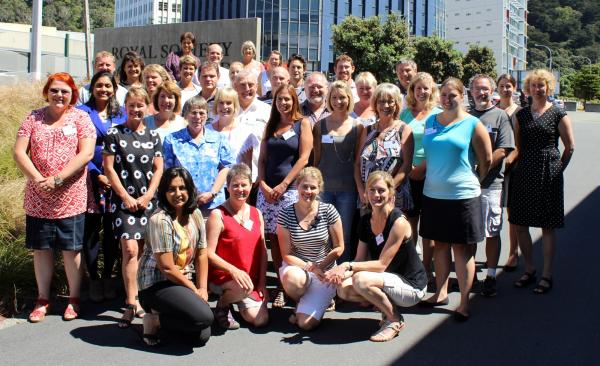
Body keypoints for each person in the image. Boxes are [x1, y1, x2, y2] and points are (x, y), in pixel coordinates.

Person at [14, 72, 96, 322]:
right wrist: (39, 180)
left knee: (71, 250)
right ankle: (42, 299)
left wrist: (58, 179)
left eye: (65, 91)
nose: (59, 95)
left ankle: (73, 299)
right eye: (55, 90)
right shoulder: (33, 117)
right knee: (42, 249)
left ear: (73, 94)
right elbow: (19, 152)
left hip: (70, 196)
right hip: (38, 196)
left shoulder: (81, 118)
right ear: (47, 92)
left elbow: (86, 153)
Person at [418, 78, 492, 321]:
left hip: (462, 197)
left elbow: (487, 160)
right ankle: (440, 292)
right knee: (439, 245)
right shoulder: (431, 121)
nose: (447, 99)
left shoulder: (472, 124)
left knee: (461, 250)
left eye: (453, 95)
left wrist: (472, 181)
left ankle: (464, 303)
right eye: (444, 95)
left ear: (462, 96)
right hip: (433, 194)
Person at [326, 171, 427, 342]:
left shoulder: (398, 221)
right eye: (371, 190)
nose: (376, 195)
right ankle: (386, 308)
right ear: (365, 193)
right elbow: (359, 260)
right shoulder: (366, 221)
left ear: (390, 193)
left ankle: (394, 319)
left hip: (411, 285)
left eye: (381, 190)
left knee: (361, 280)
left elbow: (381, 264)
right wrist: (337, 274)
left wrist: (346, 266)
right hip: (387, 279)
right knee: (343, 288)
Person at [508, 69, 575, 294]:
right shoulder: (521, 115)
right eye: (534, 85)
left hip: (549, 172)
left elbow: (570, 146)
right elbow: (517, 147)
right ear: (528, 88)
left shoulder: (558, 113)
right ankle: (529, 269)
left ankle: (547, 274)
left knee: (547, 226)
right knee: (519, 224)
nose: (538, 89)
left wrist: (558, 169)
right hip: (524, 171)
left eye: (542, 85)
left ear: (549, 88)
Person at [103, 87, 164, 328]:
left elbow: (158, 168)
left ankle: (142, 296)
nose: (136, 109)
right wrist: (125, 197)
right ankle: (131, 302)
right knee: (129, 250)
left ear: (148, 107)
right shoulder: (114, 134)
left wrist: (149, 195)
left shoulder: (153, 136)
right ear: (125, 107)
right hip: (124, 202)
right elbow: (109, 168)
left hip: (149, 201)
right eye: (132, 105)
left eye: (140, 105)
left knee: (143, 251)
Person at [138, 167, 213, 346]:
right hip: (156, 283)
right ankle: (153, 321)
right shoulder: (160, 220)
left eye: (182, 188)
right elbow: (167, 268)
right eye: (171, 189)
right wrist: (194, 291)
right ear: (164, 192)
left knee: (201, 335)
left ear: (190, 189)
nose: (177, 193)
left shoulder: (194, 214)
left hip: (182, 280)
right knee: (203, 317)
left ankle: (163, 318)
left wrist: (202, 288)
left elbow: (202, 253)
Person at [257, 84, 313, 308]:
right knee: (273, 240)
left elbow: (304, 158)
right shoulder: (270, 126)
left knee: (291, 240)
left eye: (287, 99)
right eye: (279, 99)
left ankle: (297, 285)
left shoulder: (303, 124)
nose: (283, 103)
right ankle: (281, 286)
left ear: (294, 101)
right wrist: (262, 184)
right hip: (267, 192)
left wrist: (284, 184)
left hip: (289, 192)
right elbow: (262, 159)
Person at [78, 71, 127, 302]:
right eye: (99, 85)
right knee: (90, 232)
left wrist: (114, 176)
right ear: (92, 88)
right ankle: (94, 279)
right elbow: (77, 149)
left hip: (116, 180)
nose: (104, 90)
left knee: (111, 232)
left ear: (114, 88)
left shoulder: (121, 113)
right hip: (89, 178)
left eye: (108, 86)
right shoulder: (81, 112)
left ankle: (109, 276)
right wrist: (97, 174)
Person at [277, 167, 343, 330]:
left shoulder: (329, 210)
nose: (308, 191)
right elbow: (286, 255)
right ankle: (300, 301)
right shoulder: (285, 214)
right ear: (297, 187)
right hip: (300, 268)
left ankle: (314, 303)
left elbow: (339, 247)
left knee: (305, 325)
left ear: (319, 188)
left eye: (313, 187)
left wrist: (320, 267)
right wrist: (311, 268)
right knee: (294, 281)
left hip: (324, 273)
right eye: (304, 186)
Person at [468, 74, 515, 297]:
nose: (481, 93)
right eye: (477, 89)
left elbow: (504, 149)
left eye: (485, 89)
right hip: (466, 187)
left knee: (491, 232)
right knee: (468, 234)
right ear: (471, 91)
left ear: (492, 90)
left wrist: (482, 169)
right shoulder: (464, 116)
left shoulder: (500, 117)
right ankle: (470, 277)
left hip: (491, 185)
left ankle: (491, 275)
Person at [207, 164, 269, 329]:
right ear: (227, 187)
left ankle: (238, 301)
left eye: (244, 185)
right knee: (242, 287)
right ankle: (222, 304)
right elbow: (208, 254)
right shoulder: (217, 215)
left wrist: (262, 283)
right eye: (235, 185)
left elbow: (262, 251)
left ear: (251, 186)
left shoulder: (257, 213)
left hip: (249, 280)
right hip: (224, 277)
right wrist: (233, 271)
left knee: (260, 320)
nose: (240, 189)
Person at [399, 72, 442, 289]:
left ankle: (427, 268)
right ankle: (413, 267)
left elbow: (440, 145)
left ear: (432, 90)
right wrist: (409, 168)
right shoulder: (404, 114)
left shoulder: (438, 115)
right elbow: (398, 142)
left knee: (429, 225)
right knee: (410, 224)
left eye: (426, 88)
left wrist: (422, 167)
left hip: (432, 174)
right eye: (418, 88)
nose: (422, 91)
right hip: (408, 174)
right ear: (412, 91)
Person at [313, 80, 361, 263]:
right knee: (323, 235)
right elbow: (317, 159)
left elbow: (357, 161)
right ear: (329, 100)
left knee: (344, 236)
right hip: (324, 190)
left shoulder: (358, 126)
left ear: (348, 98)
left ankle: (341, 278)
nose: (338, 101)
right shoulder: (320, 125)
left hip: (347, 190)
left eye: (342, 97)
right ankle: (323, 275)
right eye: (334, 97)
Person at [163, 96, 235, 217]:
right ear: (185, 115)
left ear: (207, 115)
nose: (197, 117)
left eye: (202, 113)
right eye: (193, 113)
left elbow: (226, 167)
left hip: (213, 205)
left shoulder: (219, 138)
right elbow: (168, 172)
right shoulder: (172, 139)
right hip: (182, 205)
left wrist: (212, 193)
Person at [356, 83, 414, 213]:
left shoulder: (404, 129)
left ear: (397, 104)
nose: (386, 106)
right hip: (367, 198)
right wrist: (362, 191)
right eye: (381, 101)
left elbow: (407, 166)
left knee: (394, 232)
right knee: (367, 232)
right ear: (375, 104)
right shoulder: (367, 130)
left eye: (390, 101)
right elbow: (357, 164)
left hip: (393, 197)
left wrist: (387, 191)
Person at [496, 73, 522, 271]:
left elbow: (519, 145)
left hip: (513, 168)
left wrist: (507, 164)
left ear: (514, 88)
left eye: (509, 86)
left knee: (512, 213)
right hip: (494, 168)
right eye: (502, 85)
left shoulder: (521, 112)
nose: (505, 89)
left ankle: (513, 253)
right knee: (493, 212)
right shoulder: (493, 111)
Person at [234, 70, 272, 183]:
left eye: (250, 85)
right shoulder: (227, 109)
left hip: (258, 176)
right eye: (242, 85)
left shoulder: (267, 111)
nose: (247, 88)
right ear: (235, 86)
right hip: (230, 176)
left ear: (256, 86)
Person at [207, 88, 258, 166]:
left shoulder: (244, 131)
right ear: (216, 105)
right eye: (221, 103)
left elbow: (248, 164)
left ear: (235, 105)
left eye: (228, 103)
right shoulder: (207, 130)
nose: (224, 106)